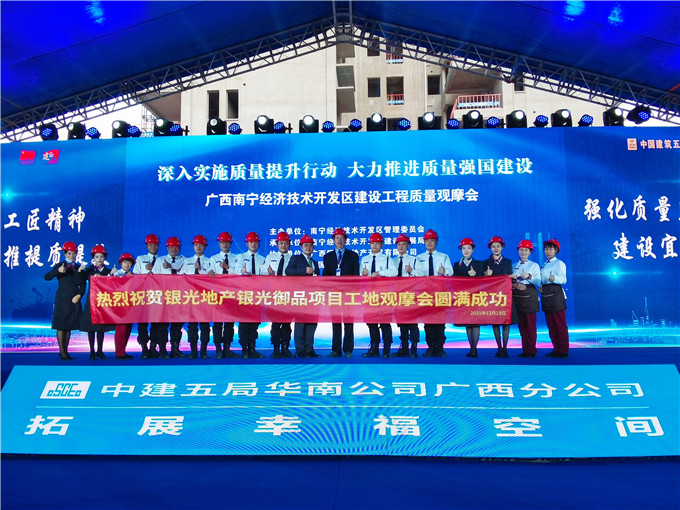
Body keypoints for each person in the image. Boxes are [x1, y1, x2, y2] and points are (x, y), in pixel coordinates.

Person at [44, 241, 86, 360]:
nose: (72, 256)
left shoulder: (78, 267)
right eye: (69, 253)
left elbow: (83, 285)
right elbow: (46, 277)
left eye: (74, 253)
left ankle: (65, 351)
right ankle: (62, 352)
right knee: (61, 325)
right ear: (65, 254)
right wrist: (57, 271)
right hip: (62, 299)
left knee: (68, 326)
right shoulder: (60, 265)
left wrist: (79, 295)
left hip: (74, 299)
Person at [322, 227, 360, 358]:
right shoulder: (327, 257)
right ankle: (336, 350)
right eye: (337, 238)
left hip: (349, 294)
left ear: (345, 240)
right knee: (336, 322)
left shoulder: (353, 255)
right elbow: (326, 276)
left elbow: (356, 275)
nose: (339, 240)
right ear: (333, 240)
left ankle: (348, 350)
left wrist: (354, 293)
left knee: (349, 322)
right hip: (334, 295)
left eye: (341, 238)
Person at [414, 229, 453, 357]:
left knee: (440, 322)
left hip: (440, 293)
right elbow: (416, 275)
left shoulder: (444, 257)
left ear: (436, 242)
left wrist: (444, 271)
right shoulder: (419, 258)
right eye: (427, 240)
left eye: (432, 240)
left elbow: (451, 272)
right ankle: (430, 347)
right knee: (428, 322)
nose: (429, 243)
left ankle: (440, 347)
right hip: (425, 294)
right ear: (424, 242)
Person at [361, 232, 396, 358]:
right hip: (370, 295)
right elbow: (359, 276)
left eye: (377, 243)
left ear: (381, 244)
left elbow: (394, 272)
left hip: (384, 295)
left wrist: (380, 273)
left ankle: (387, 349)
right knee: (371, 322)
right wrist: (363, 274)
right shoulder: (364, 259)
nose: (375, 245)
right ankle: (374, 348)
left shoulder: (387, 259)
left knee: (385, 323)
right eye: (372, 243)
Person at [286, 234, 321, 358]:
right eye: (305, 245)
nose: (308, 247)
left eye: (310, 245)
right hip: (300, 297)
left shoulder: (315, 263)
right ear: (301, 247)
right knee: (300, 324)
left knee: (312, 324)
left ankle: (309, 349)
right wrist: (303, 271)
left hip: (312, 298)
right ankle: (300, 350)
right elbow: (288, 271)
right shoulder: (296, 258)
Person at [179, 235, 214, 359]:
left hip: (204, 297)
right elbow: (180, 277)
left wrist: (200, 270)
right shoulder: (187, 261)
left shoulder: (210, 261)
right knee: (192, 326)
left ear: (205, 246)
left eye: (201, 245)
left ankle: (204, 351)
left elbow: (212, 278)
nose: (198, 247)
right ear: (193, 246)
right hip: (191, 297)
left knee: (205, 326)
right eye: (196, 245)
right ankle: (193, 351)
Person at [152, 236, 187, 358]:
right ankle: (162, 349)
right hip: (164, 297)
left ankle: (175, 348)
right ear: (167, 248)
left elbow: (184, 272)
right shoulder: (160, 260)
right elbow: (153, 278)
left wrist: (170, 266)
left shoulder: (185, 260)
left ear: (180, 248)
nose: (173, 249)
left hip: (179, 297)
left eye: (176, 247)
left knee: (177, 325)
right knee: (163, 324)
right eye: (171, 247)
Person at [482, 236, 516, 358]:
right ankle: (499, 348)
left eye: (498, 246)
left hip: (505, 296)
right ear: (490, 248)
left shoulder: (508, 262)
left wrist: (513, 278)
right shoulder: (486, 263)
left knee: (506, 322)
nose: (496, 248)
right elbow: (481, 281)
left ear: (502, 247)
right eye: (493, 246)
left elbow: (510, 278)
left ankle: (505, 348)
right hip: (493, 297)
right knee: (495, 322)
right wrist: (485, 275)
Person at [80, 244, 115, 360]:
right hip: (91, 301)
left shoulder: (108, 271)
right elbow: (79, 280)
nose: (99, 259)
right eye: (97, 257)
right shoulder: (89, 270)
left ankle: (100, 351)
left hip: (102, 301)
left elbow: (112, 286)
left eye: (101, 256)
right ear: (93, 258)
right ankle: (91, 351)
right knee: (91, 327)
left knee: (101, 328)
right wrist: (80, 270)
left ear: (105, 258)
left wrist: (111, 275)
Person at [208, 231, 240, 358]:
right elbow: (207, 274)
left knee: (229, 323)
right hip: (217, 294)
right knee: (217, 323)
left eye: (227, 242)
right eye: (222, 242)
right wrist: (209, 273)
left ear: (230, 243)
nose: (225, 244)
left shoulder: (236, 258)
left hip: (231, 294)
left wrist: (227, 268)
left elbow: (238, 274)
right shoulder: (213, 259)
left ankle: (227, 348)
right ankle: (218, 350)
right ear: (219, 243)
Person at [263, 231, 294, 358]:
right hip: (274, 295)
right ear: (277, 244)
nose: (283, 245)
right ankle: (276, 349)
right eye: (281, 243)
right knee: (275, 324)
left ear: (289, 244)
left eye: (286, 243)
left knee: (286, 324)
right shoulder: (270, 257)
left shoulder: (293, 259)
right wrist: (268, 272)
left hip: (288, 295)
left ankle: (285, 348)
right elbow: (261, 271)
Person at [236, 231, 266, 359]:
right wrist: (242, 271)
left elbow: (265, 275)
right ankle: (244, 350)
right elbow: (237, 271)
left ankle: (252, 349)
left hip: (257, 295)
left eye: (255, 242)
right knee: (244, 324)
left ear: (258, 243)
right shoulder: (241, 257)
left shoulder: (263, 259)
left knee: (254, 324)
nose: (253, 244)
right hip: (244, 295)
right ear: (247, 243)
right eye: (251, 242)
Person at [453, 237, 484, 358]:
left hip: (475, 297)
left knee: (475, 323)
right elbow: (454, 282)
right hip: (463, 297)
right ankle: (471, 347)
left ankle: (474, 349)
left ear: (473, 250)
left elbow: (483, 280)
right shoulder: (457, 265)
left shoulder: (479, 264)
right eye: (464, 248)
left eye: (468, 248)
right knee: (467, 322)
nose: (466, 251)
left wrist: (475, 275)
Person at [539, 239, 569, 358]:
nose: (548, 251)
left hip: (556, 295)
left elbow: (564, 279)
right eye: (546, 249)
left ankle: (563, 350)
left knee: (560, 324)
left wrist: (554, 278)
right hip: (546, 294)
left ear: (556, 250)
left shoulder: (559, 263)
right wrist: (540, 285)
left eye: (551, 249)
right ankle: (556, 349)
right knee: (551, 325)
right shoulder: (544, 264)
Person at [511, 240, 541, 358]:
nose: (523, 252)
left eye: (526, 250)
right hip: (517, 297)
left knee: (530, 325)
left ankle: (531, 350)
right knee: (522, 326)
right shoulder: (514, 265)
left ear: (530, 252)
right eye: (521, 250)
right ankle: (525, 349)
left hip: (529, 297)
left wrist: (528, 276)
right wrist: (514, 284)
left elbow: (538, 282)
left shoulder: (534, 265)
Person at [133, 234, 160, 358]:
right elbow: (135, 276)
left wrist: (154, 268)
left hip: (157, 295)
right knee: (142, 323)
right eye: (150, 245)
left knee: (156, 323)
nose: (153, 247)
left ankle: (153, 346)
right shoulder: (140, 258)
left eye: (155, 245)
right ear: (147, 246)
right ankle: (144, 347)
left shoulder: (162, 260)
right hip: (143, 295)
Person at [392, 233, 419, 357]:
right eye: (399, 244)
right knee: (401, 322)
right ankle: (404, 348)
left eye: (403, 244)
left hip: (411, 295)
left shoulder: (414, 260)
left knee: (412, 323)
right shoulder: (393, 261)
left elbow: (423, 274)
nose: (401, 246)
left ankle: (414, 348)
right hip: (398, 295)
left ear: (408, 245)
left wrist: (412, 270)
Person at [109, 253, 136, 359]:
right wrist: (112, 276)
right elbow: (108, 285)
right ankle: (119, 352)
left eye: (129, 262)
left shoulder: (134, 275)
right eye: (125, 262)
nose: (127, 264)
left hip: (130, 306)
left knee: (128, 329)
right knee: (121, 329)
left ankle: (123, 351)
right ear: (120, 263)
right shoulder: (115, 273)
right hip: (119, 306)